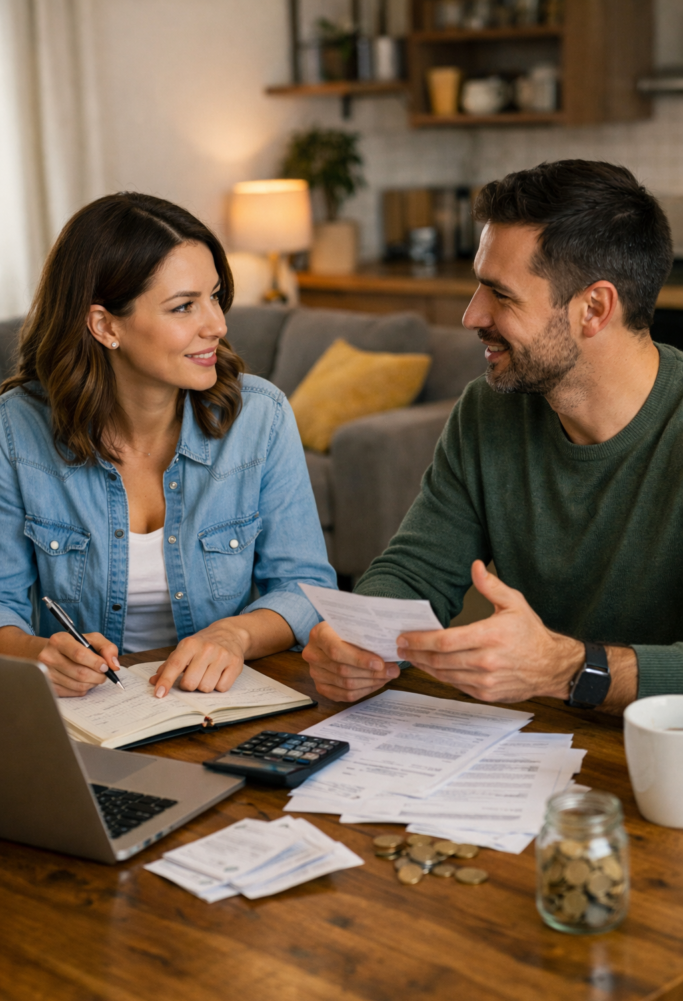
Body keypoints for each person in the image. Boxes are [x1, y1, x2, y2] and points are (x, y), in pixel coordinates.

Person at [303, 159, 681, 715]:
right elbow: (416, 571)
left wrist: (569, 668)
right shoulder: (489, 410)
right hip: (533, 747)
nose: (469, 315)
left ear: (594, 308)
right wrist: (358, 638)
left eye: (500, 295)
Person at [0, 192, 336, 699]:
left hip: (218, 707)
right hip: (89, 716)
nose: (217, 326)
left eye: (215, 296)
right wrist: (39, 653)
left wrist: (234, 635)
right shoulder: (14, 430)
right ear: (105, 325)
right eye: (184, 306)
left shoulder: (260, 417)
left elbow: (307, 588)